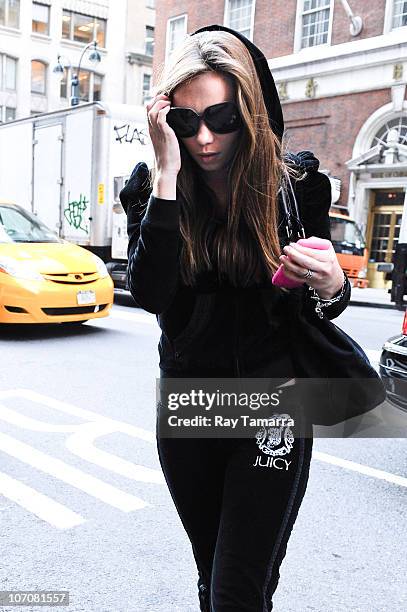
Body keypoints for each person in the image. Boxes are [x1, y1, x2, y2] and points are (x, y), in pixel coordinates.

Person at [120, 24, 351, 612]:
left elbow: (322, 306)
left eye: (221, 118)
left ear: (246, 112)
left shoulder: (295, 186)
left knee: (238, 593)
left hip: (272, 406)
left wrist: (332, 283)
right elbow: (150, 294)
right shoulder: (151, 190)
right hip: (190, 408)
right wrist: (167, 177)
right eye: (186, 121)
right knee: (210, 577)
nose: (204, 137)